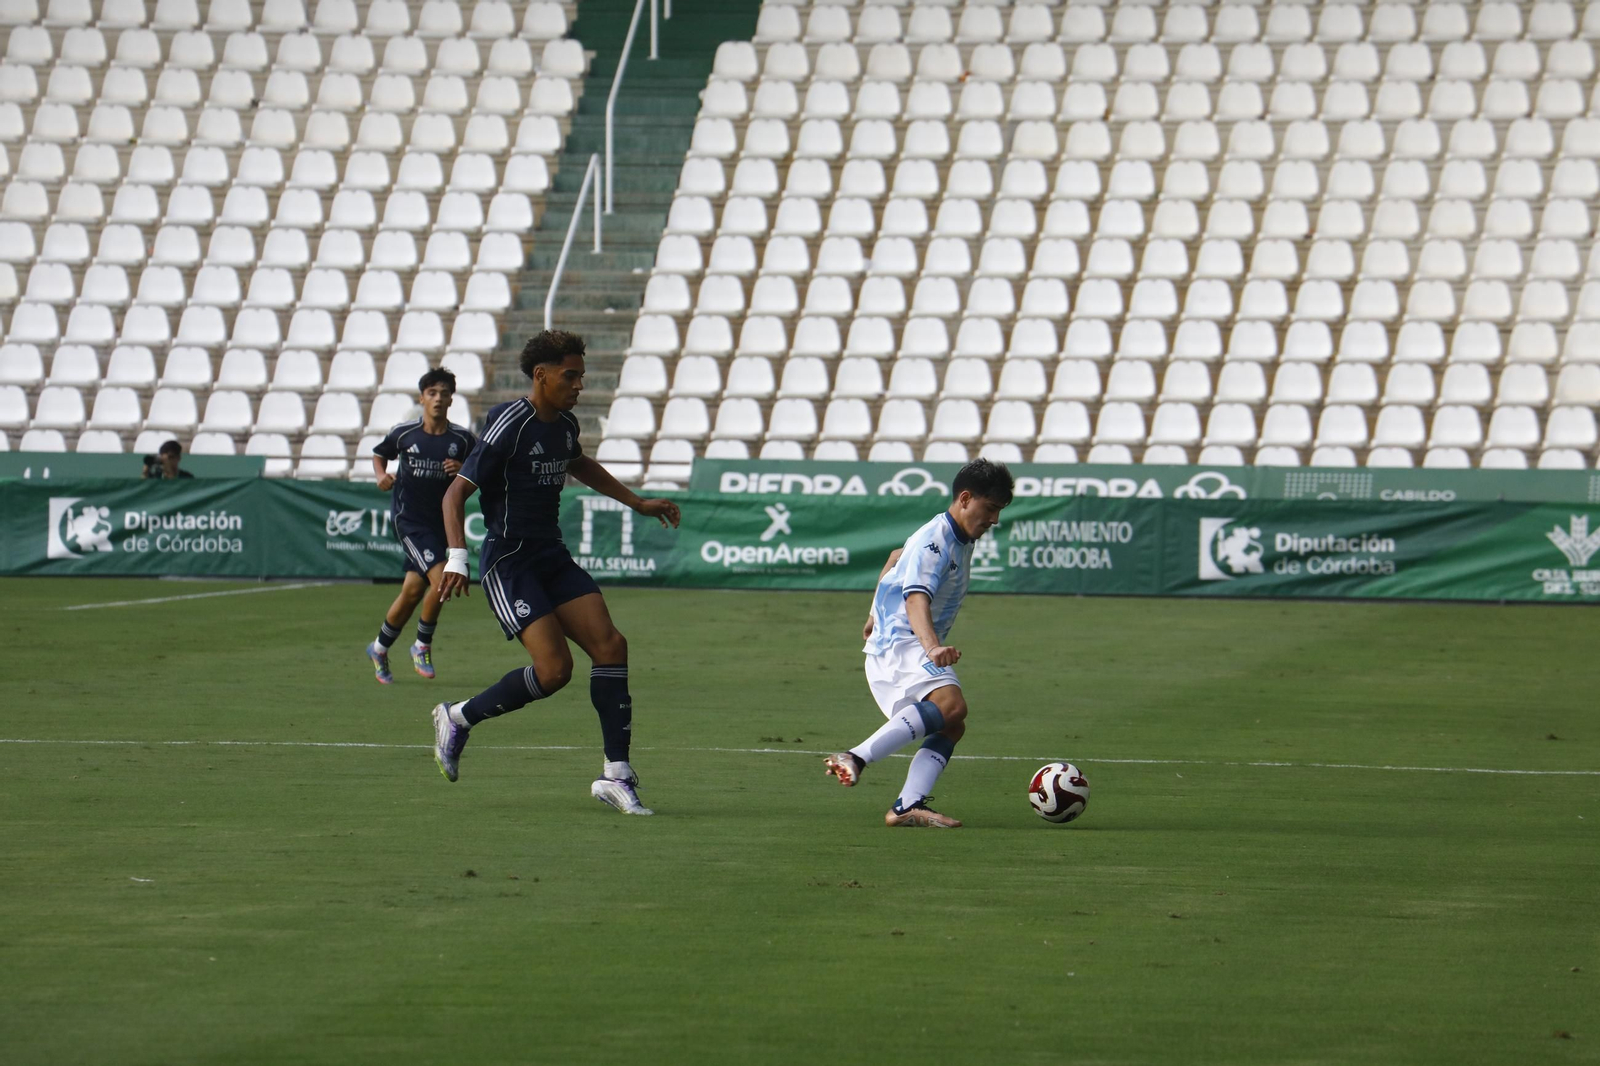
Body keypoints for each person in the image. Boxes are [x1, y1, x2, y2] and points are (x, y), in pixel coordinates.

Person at [431, 330, 681, 816]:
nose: (579, 384)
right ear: (541, 375)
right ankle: (459, 717)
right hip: (509, 561)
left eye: (581, 376)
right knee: (555, 671)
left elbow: (578, 462)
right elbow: (454, 494)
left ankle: (617, 775)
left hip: (551, 554)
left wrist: (637, 502)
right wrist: (457, 557)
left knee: (611, 646)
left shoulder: (564, 423)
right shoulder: (510, 422)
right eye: (571, 375)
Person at [823, 458, 1015, 828]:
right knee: (951, 704)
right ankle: (854, 757)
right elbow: (915, 598)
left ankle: (907, 805)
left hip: (897, 640)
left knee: (951, 724)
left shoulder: (951, 533)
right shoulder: (936, 542)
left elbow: (895, 558)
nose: (994, 520)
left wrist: (872, 613)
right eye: (990, 509)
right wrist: (930, 647)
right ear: (964, 499)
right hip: (904, 643)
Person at [365, 368, 477, 684]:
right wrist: (381, 476)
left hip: (441, 524)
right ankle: (421, 644)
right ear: (422, 398)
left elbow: (480, 472)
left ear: (451, 399)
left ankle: (379, 647)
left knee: (414, 591)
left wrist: (463, 471)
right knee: (441, 580)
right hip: (409, 520)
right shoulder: (405, 434)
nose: (438, 398)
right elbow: (378, 454)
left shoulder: (462, 440)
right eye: (432, 393)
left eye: (443, 393)